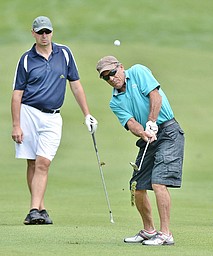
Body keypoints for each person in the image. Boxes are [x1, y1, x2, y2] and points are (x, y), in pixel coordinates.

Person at [11, 16, 98, 225]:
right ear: (32, 32)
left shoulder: (65, 54)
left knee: (44, 162)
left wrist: (87, 114)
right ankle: (39, 209)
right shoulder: (26, 59)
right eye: (40, 32)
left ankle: (34, 210)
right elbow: (17, 94)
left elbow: (75, 85)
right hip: (29, 112)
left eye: (47, 32)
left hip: (53, 116)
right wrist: (16, 124)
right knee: (32, 162)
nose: (44, 36)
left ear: (52, 32)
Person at [96, 56, 185, 245]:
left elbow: (155, 96)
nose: (111, 78)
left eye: (112, 72)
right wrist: (143, 132)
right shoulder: (115, 101)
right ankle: (149, 231)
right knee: (137, 186)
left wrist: (152, 121)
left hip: (168, 131)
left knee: (159, 182)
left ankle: (166, 234)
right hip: (148, 138)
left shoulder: (138, 71)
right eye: (106, 77)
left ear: (120, 67)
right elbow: (130, 123)